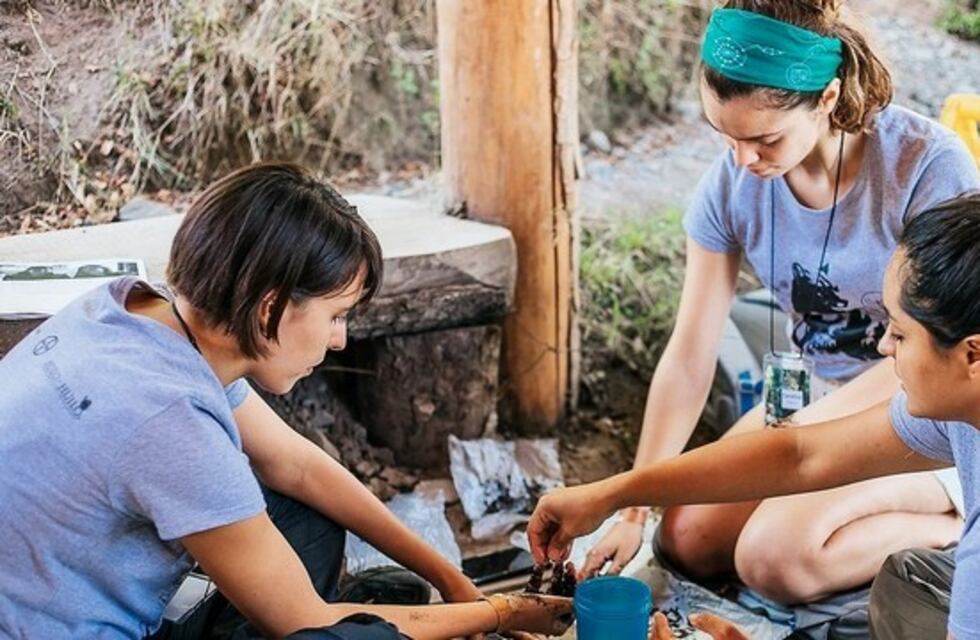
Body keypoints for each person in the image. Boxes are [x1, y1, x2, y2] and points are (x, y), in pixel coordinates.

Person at [0, 163, 572, 640]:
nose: (340, 338)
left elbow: (297, 465)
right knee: (349, 637)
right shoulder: (169, 420)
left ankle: (373, 610)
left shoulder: (134, 311)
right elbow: (307, 623)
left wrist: (450, 580)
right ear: (269, 307)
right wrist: (500, 611)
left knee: (303, 506)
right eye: (337, 315)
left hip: (35, 604)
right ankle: (371, 615)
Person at [583, 0, 980, 605]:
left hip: (926, 405)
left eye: (764, 138)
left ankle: (958, 529)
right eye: (725, 135)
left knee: (772, 558)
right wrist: (634, 510)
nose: (743, 160)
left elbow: (947, 350)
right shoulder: (733, 180)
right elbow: (690, 353)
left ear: (826, 99)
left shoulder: (924, 168)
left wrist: (788, 450)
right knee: (685, 535)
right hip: (809, 398)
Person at [532, 192, 980, 640]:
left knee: (785, 557)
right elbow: (800, 455)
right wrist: (614, 496)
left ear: (972, 353)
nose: (883, 348)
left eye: (900, 335)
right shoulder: (957, 410)